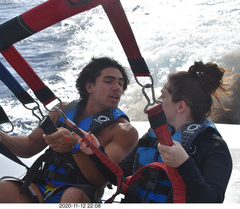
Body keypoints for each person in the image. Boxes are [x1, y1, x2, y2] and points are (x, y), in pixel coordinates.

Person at [0, 57, 138, 203]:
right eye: (109, 81)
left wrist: (75, 147)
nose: (117, 88)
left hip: (83, 196)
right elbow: (30, 146)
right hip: (41, 187)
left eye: (121, 84)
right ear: (89, 86)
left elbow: (100, 180)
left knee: (72, 196)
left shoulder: (123, 131)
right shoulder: (61, 110)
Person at [77, 61, 233, 203]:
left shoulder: (214, 146)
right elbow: (118, 176)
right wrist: (96, 152)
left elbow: (213, 201)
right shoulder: (153, 136)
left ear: (180, 106)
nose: (158, 100)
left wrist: (184, 164)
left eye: (163, 96)